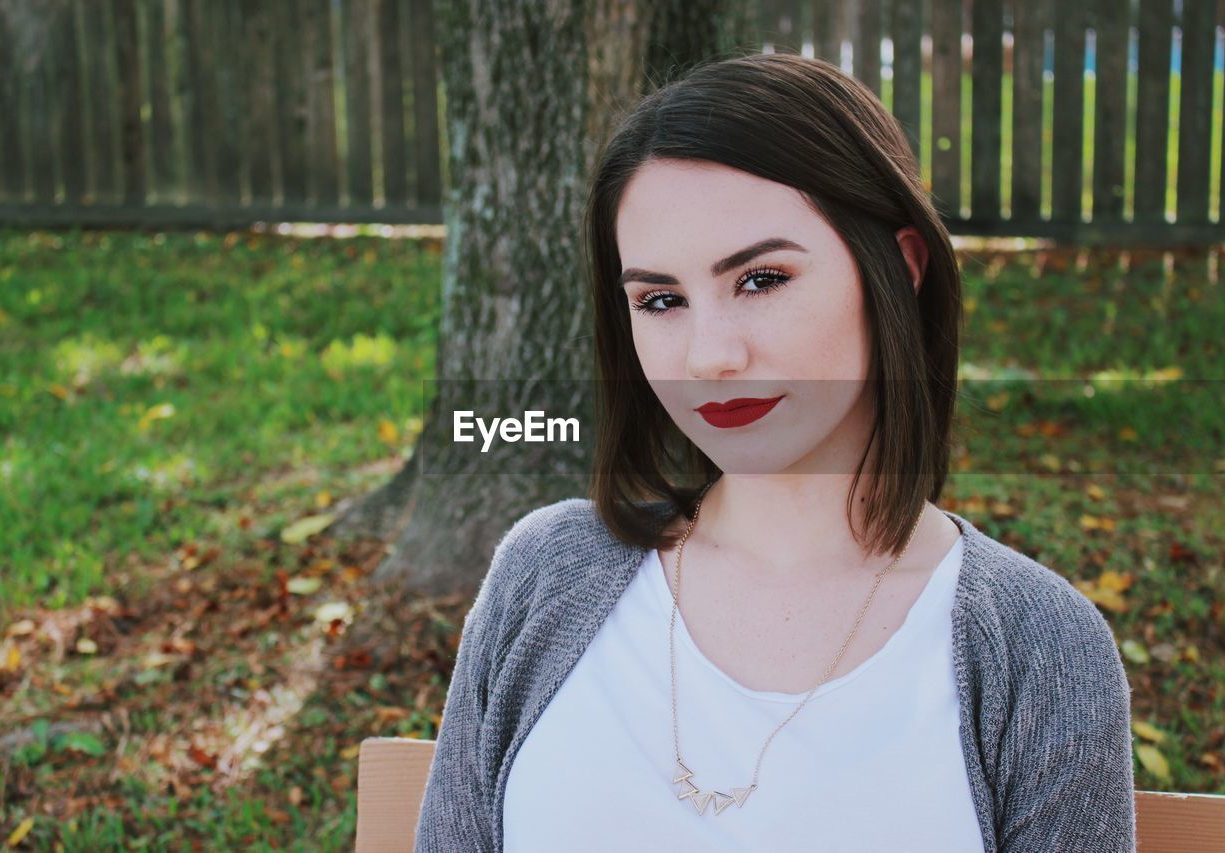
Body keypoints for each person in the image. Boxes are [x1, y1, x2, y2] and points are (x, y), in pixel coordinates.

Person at [415, 52, 1135, 852]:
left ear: (897, 268)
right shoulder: (546, 574)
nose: (708, 357)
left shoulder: (1036, 647)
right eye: (661, 300)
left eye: (760, 279)